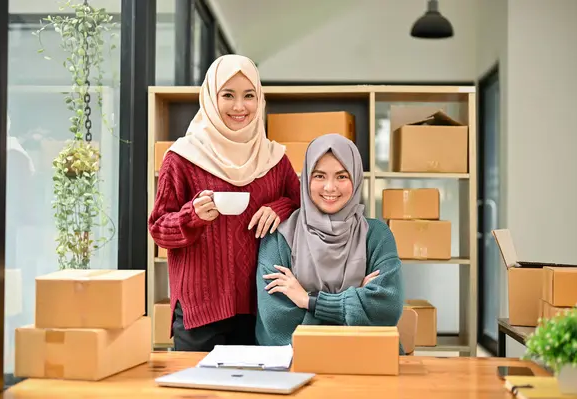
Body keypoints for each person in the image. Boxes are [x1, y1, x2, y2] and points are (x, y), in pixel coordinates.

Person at [148, 54, 301, 352]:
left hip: (261, 305)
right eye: (228, 95)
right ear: (210, 97)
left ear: (260, 100)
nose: (239, 106)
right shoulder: (181, 158)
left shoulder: (275, 159)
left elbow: (301, 207)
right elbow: (158, 228)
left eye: (249, 96)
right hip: (200, 308)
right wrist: (191, 216)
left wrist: (278, 209)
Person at [255, 134, 405, 354]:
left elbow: (386, 309)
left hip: (368, 361)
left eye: (342, 176)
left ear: (355, 179)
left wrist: (308, 301)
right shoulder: (280, 236)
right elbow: (277, 322)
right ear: (306, 179)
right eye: (319, 176)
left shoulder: (376, 235)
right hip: (297, 363)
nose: (330, 187)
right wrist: (356, 303)